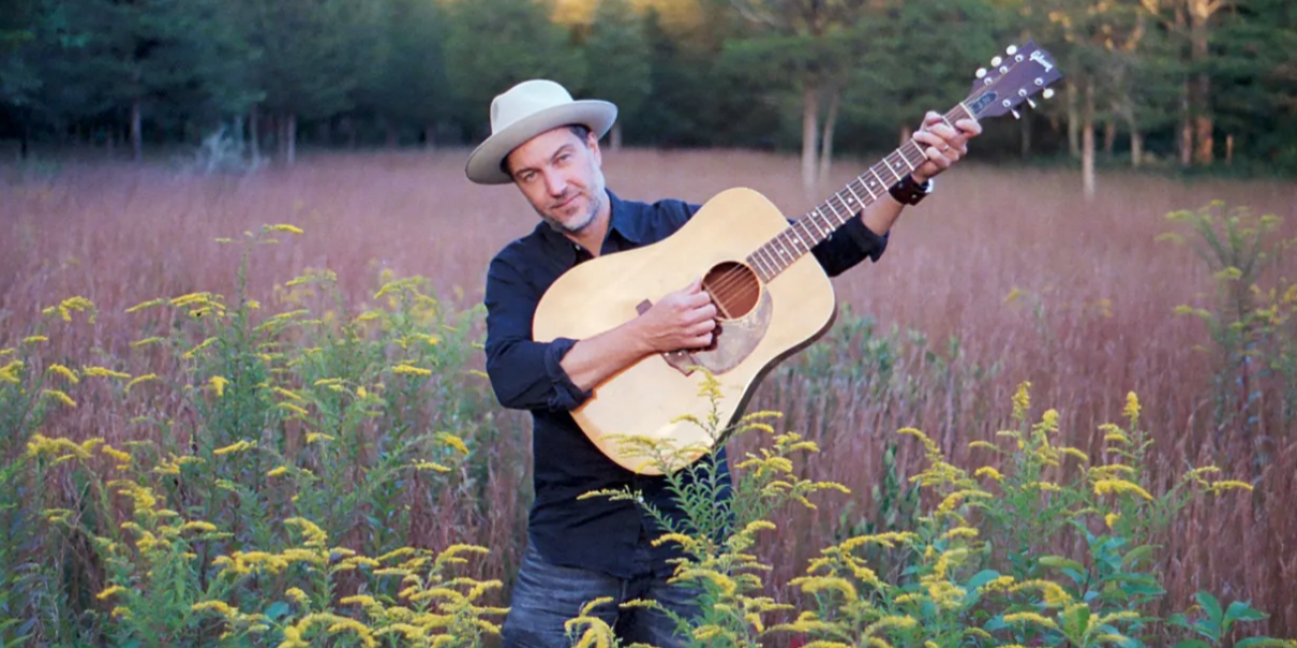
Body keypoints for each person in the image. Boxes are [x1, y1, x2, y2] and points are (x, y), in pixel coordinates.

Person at [469, 79, 981, 647]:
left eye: (562, 158)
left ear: (592, 146)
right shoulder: (517, 270)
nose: (555, 186)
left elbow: (826, 251)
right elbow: (513, 377)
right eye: (530, 175)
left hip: (692, 536)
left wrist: (909, 180)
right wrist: (645, 334)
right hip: (572, 542)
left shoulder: (681, 229)